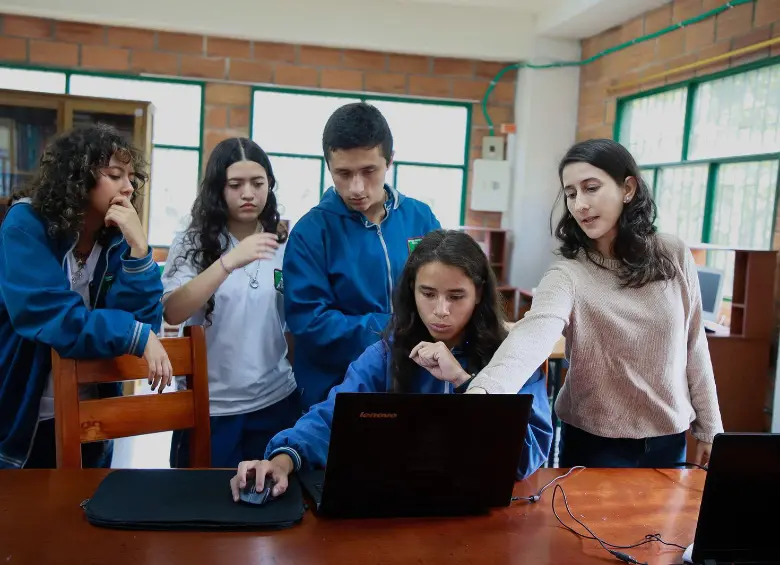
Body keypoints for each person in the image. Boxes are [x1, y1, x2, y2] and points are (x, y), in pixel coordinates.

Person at [229, 229, 553, 498]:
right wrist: (284, 458)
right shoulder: (389, 351)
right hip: (401, 508)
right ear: (411, 290)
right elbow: (334, 415)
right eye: (428, 294)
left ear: (479, 293)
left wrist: (463, 381)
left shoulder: (512, 357)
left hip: (485, 513)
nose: (441, 310)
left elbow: (525, 457)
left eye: (456, 296)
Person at [466, 138, 723, 469]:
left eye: (591, 188)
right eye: (571, 194)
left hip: (668, 441)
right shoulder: (568, 275)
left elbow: (694, 345)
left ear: (627, 188)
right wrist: (484, 393)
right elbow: (532, 338)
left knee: (665, 524)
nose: (580, 204)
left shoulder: (673, 254)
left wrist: (710, 428)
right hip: (595, 444)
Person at [0, 123, 170, 469]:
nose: (128, 187)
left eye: (132, 177)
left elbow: (146, 322)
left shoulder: (115, 236)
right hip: (20, 415)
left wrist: (139, 251)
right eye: (115, 174)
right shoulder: (24, 225)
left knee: (82, 515)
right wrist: (133, 335)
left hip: (90, 414)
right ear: (77, 176)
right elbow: (51, 316)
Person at [283, 102, 441, 411]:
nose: (356, 188)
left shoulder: (420, 219)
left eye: (369, 171)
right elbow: (311, 323)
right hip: (337, 392)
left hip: (414, 382)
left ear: (389, 161)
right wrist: (397, 329)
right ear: (328, 165)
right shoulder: (311, 233)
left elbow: (444, 292)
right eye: (343, 173)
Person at [162, 138, 299, 469]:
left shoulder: (285, 243)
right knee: (204, 509)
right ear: (217, 189)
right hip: (210, 408)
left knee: (271, 504)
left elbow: (293, 324)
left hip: (276, 400)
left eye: (257, 183)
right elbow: (173, 310)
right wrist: (227, 263)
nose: (248, 194)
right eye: (235, 185)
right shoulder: (192, 241)